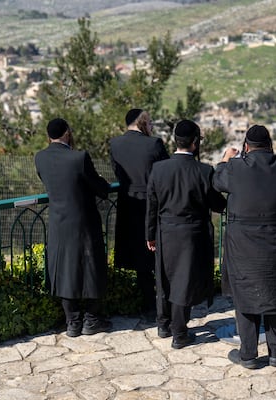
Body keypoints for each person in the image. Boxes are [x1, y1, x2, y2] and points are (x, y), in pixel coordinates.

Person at [213, 125, 276, 369]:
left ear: (246, 147)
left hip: (243, 244)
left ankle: (248, 354)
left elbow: (217, 181)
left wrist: (225, 160)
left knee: (245, 295)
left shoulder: (235, 167)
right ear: (270, 146)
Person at [145, 120, 226, 349]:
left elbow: (152, 205)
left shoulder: (159, 169)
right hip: (192, 234)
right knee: (183, 281)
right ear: (195, 142)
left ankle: (163, 324)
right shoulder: (204, 171)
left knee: (164, 277)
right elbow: (218, 205)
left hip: (165, 231)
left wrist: (150, 234)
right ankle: (179, 333)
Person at [35, 118, 112, 337]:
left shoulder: (40, 158)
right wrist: (102, 183)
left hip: (59, 222)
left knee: (64, 270)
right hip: (85, 221)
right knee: (91, 269)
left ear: (48, 136)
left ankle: (72, 322)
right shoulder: (79, 157)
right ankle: (91, 320)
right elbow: (98, 187)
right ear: (68, 133)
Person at [109, 108, 169, 315]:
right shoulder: (154, 144)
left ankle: (148, 304)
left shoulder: (115, 144)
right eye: (150, 122)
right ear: (142, 122)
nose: (151, 126)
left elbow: (117, 172)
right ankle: (163, 303)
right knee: (157, 254)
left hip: (128, 203)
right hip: (152, 203)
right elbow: (166, 172)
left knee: (138, 257)